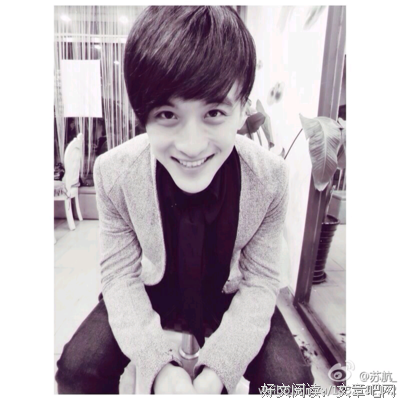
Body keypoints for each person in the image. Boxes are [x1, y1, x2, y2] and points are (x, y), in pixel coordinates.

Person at [55, 6, 314, 394]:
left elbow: (260, 282)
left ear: (242, 108)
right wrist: (160, 368)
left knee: (292, 382)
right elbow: (119, 277)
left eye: (214, 112)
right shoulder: (115, 173)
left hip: (228, 293)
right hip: (154, 289)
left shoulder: (270, 178)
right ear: (143, 114)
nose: (191, 146)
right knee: (77, 369)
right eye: (166, 114)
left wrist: (217, 373)